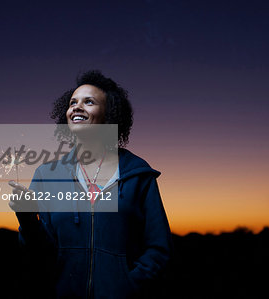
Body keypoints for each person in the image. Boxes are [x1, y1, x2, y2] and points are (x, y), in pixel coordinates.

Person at [9, 70, 174, 299]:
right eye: (72, 102)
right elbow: (39, 256)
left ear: (110, 115)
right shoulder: (47, 175)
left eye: (89, 102)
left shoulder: (138, 175)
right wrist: (27, 220)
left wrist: (128, 287)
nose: (77, 107)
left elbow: (159, 249)